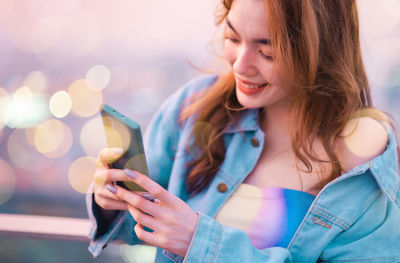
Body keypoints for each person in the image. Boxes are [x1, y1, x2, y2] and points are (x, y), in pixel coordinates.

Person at [87, 0, 400, 262]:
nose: (240, 64)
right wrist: (111, 201)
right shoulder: (194, 108)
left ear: (320, 53)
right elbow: (138, 229)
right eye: (233, 38)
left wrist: (200, 242)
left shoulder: (362, 169)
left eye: (268, 51)